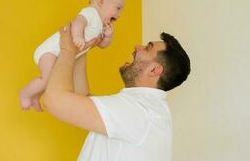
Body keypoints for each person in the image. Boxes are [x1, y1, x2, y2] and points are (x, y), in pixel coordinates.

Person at [43, 24, 191, 161]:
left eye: (147, 48)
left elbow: (54, 101)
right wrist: (82, 49)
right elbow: (84, 100)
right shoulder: (147, 110)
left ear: (154, 70)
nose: (137, 47)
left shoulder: (139, 110)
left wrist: (67, 50)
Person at [20, 0, 125, 111]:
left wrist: (108, 37)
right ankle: (25, 93)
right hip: (49, 51)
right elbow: (78, 22)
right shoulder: (91, 12)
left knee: (51, 80)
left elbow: (100, 45)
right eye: (118, 8)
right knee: (47, 78)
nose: (119, 14)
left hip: (61, 54)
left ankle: (35, 96)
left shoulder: (101, 25)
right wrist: (77, 36)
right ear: (102, 1)